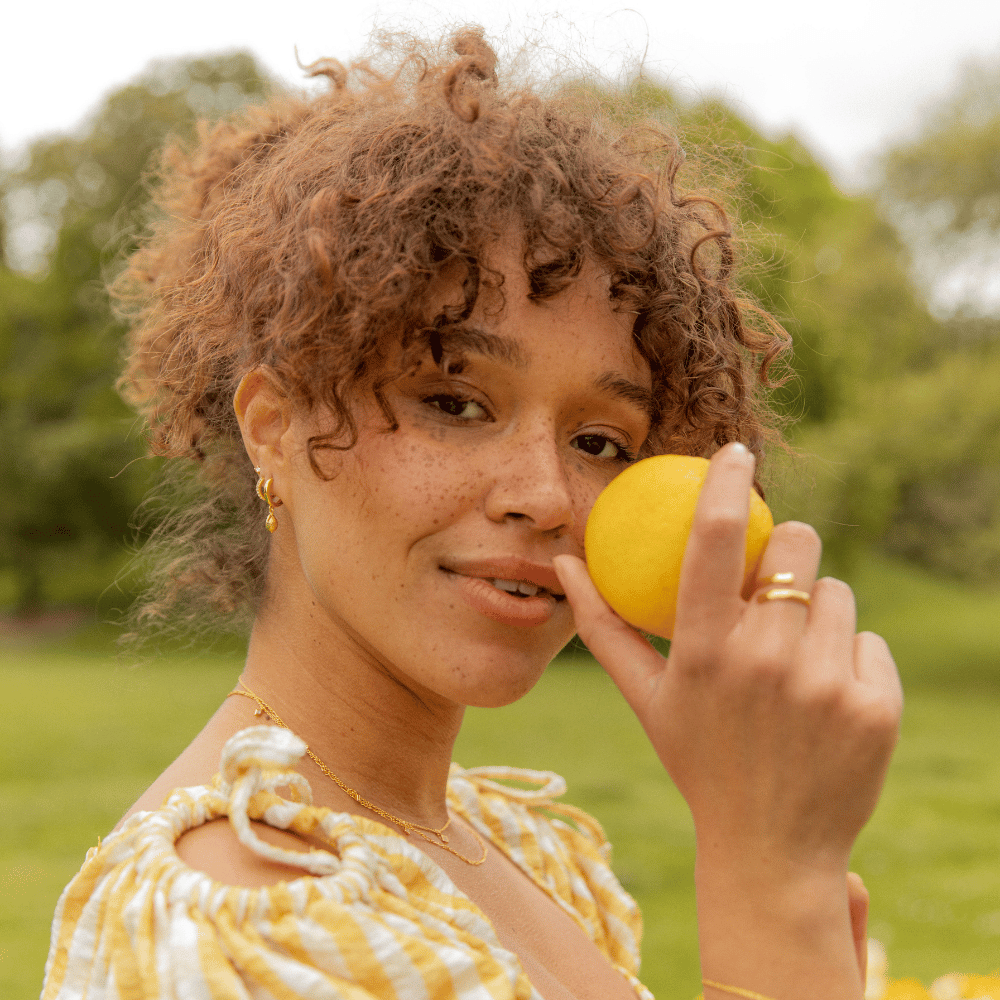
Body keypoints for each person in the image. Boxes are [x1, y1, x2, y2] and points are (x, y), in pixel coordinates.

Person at [41, 28, 901, 1000]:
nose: (543, 495)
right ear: (274, 429)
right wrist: (770, 886)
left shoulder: (499, 847)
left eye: (598, 441)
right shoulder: (235, 923)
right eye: (453, 403)